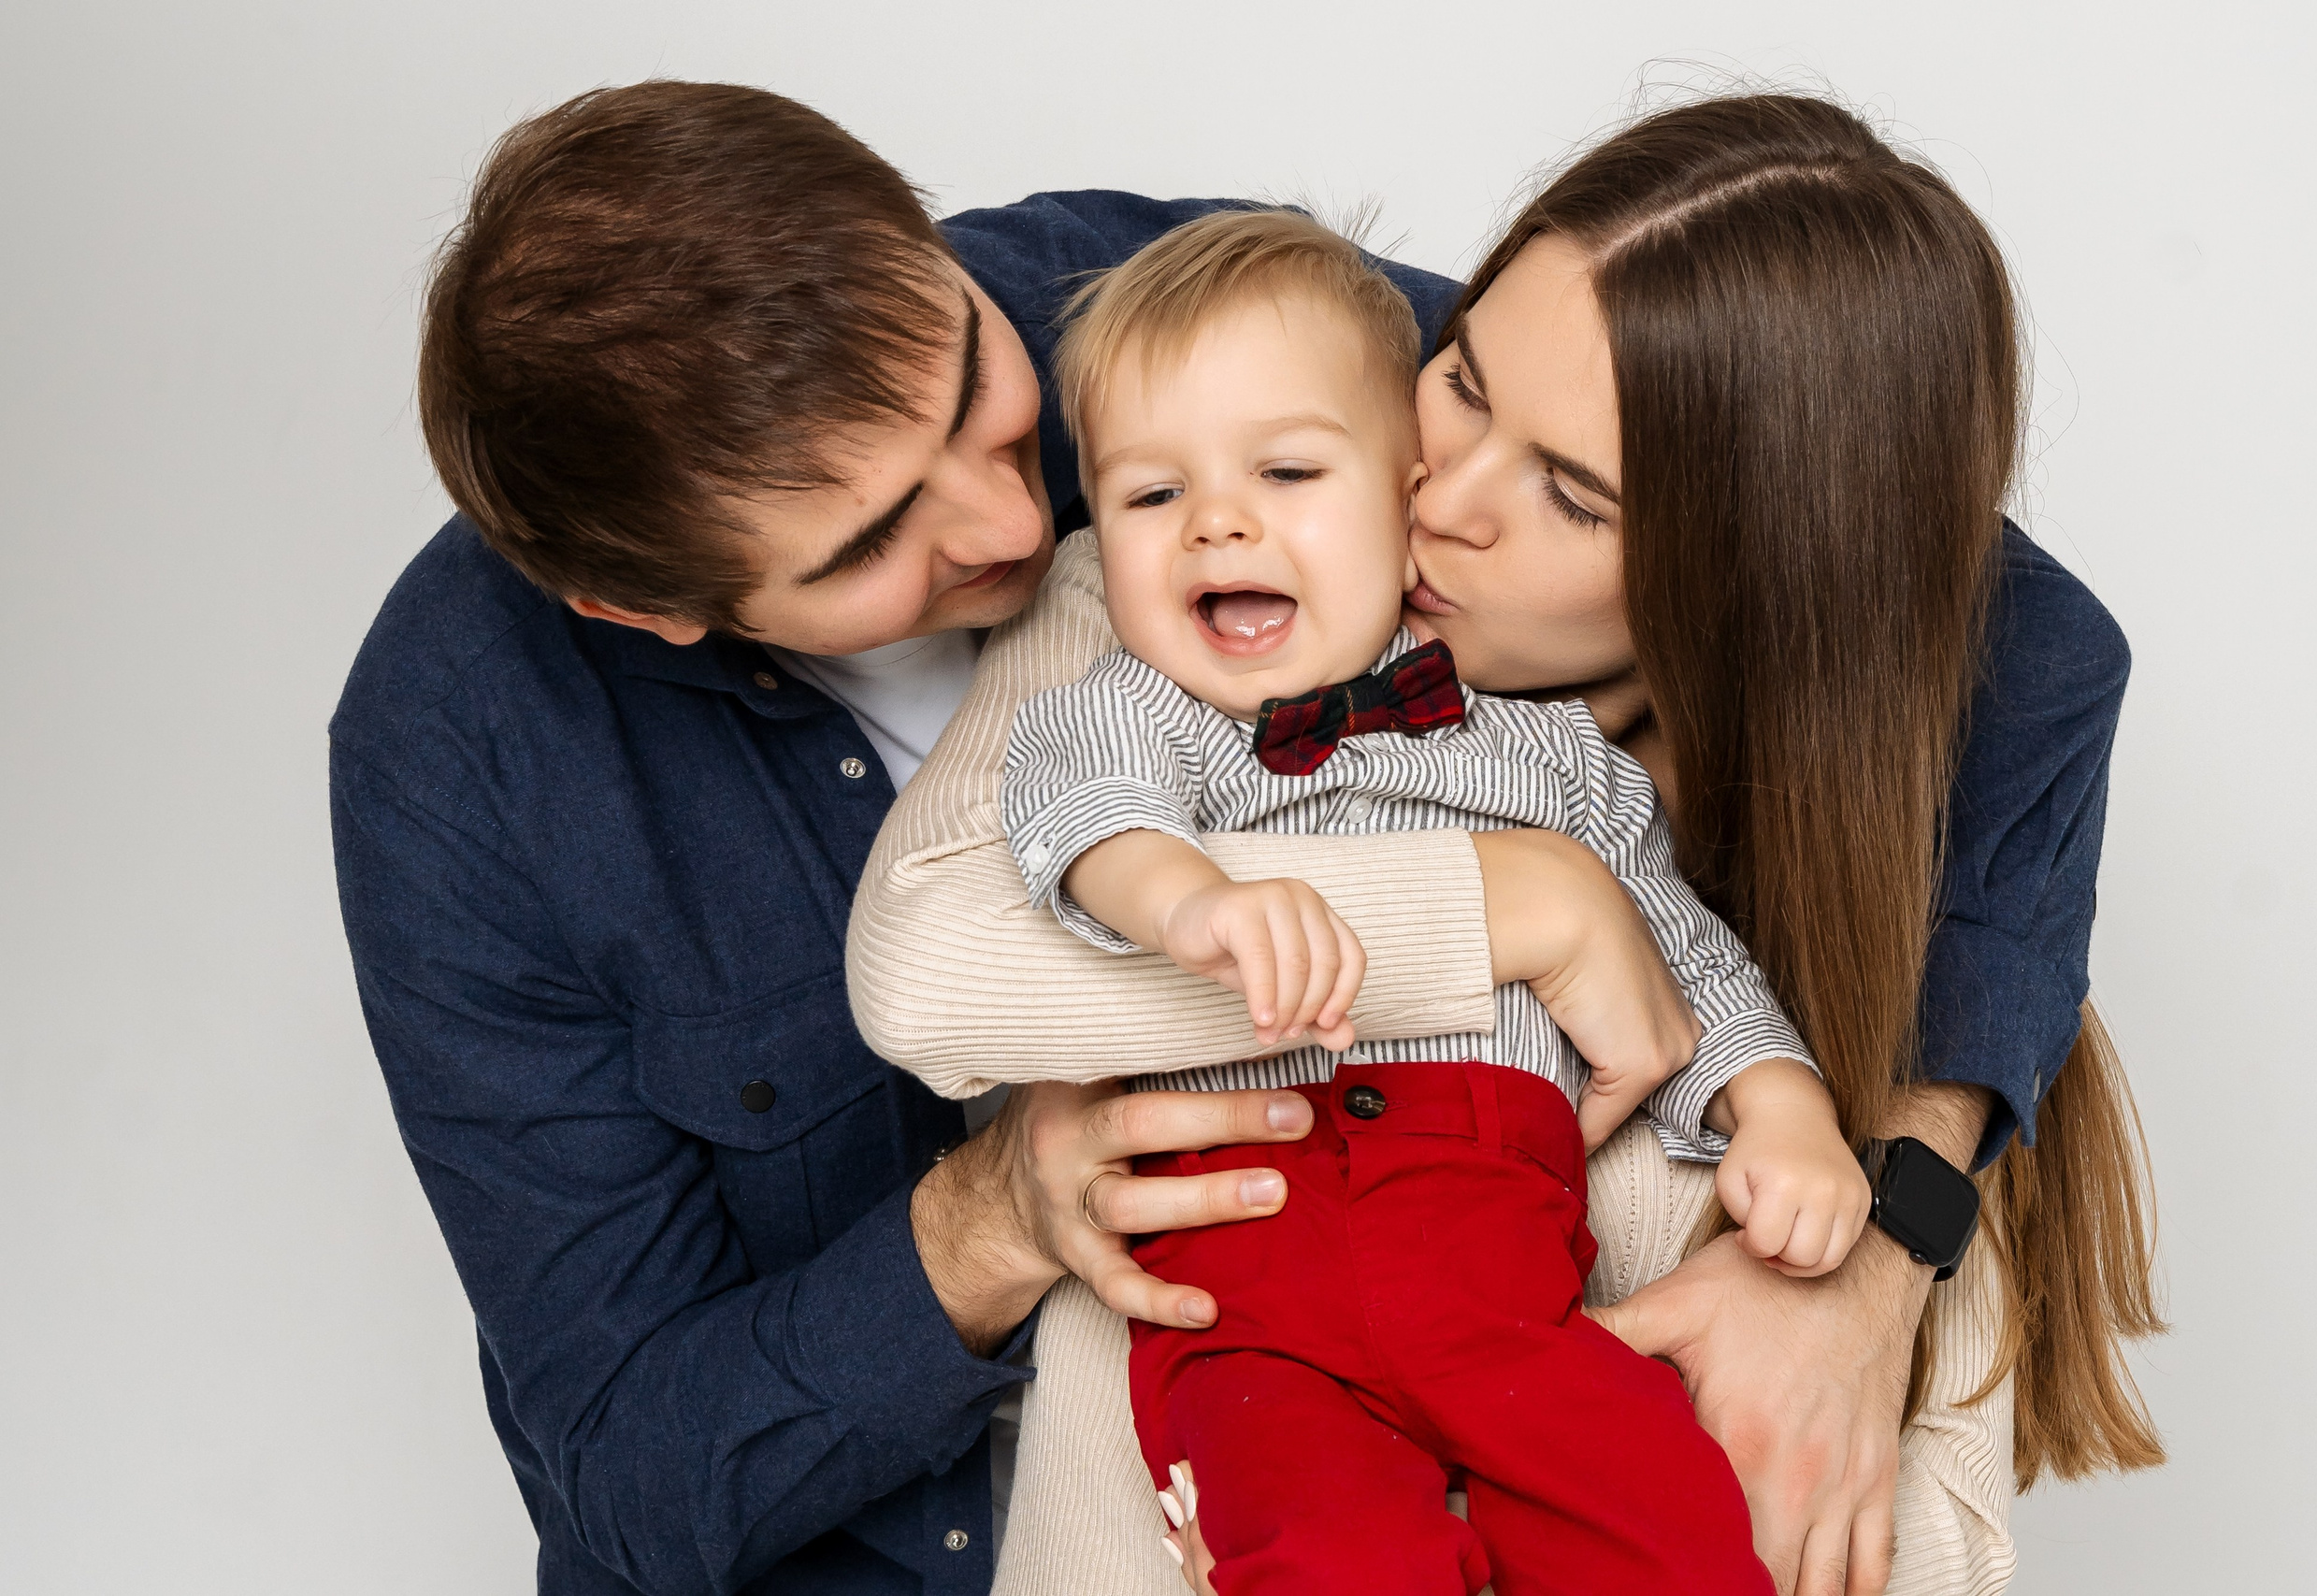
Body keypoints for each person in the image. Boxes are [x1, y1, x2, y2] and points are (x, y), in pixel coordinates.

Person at [333, 79, 1673, 1595]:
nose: (1008, 525)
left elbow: (1910, 562)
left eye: (973, 389)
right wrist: (986, 1225)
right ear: (644, 610)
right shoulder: (461, 752)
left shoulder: (1135, 306)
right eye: (866, 546)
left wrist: (1896, 1227)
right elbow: (634, 1481)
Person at [846, 94, 2164, 1595]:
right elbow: (936, 966)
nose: (1438, 501)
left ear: (1754, 584)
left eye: (1574, 496)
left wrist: (1854, 1256)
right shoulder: (1166, 614)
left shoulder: (1868, 1048)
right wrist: (1516, 906)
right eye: (1461, 382)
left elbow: (2051, 646)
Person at [981, 207, 1867, 1592]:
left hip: (1499, 1283)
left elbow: (1680, 955)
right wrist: (1188, 907)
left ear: (1403, 496)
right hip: (1247, 1282)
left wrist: (1786, 1108)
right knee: (1333, 1556)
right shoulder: (1130, 707)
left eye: (1284, 473)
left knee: (1671, 1533)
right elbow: (1085, 820)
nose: (1216, 520)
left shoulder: (1552, 758)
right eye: (1150, 497)